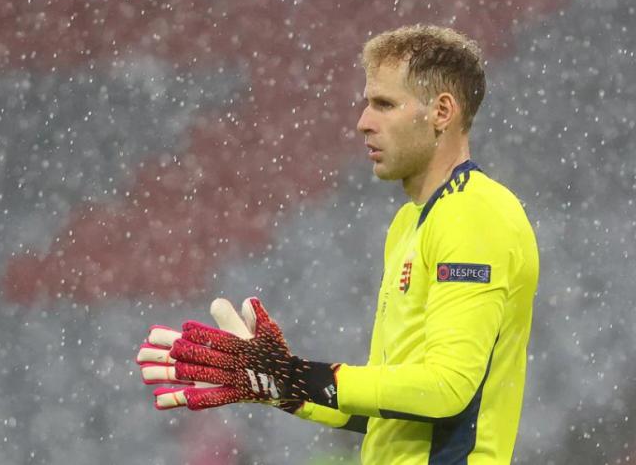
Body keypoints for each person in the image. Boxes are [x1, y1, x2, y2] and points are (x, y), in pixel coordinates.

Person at [137, 24, 540, 464]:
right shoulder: (409, 223)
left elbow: (446, 389)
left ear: (442, 111)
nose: (363, 122)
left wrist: (298, 374)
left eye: (384, 104)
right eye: (368, 103)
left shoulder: (474, 213)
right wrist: (285, 386)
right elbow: (391, 409)